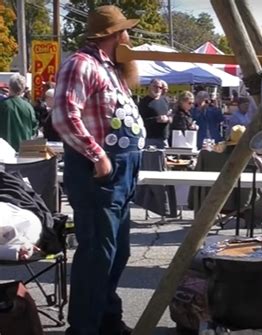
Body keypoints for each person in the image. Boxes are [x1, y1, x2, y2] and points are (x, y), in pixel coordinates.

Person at [52, 5, 145, 335]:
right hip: (100, 174)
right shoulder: (82, 63)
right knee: (97, 255)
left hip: (122, 173)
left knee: (117, 253)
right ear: (114, 35)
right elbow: (63, 115)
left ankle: (106, 319)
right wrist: (98, 156)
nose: (130, 38)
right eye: (126, 32)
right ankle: (84, 328)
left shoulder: (113, 70)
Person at [0, 73, 37, 151]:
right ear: (23, 89)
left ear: (9, 86)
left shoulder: (2, 105)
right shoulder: (28, 107)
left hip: (4, 150)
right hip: (24, 150)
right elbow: (34, 129)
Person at [138, 79, 171, 149]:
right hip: (149, 138)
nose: (158, 89)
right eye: (155, 86)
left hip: (163, 139)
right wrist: (156, 119)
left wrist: (168, 119)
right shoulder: (143, 103)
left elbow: (171, 115)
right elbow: (140, 122)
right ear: (149, 87)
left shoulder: (165, 100)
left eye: (160, 87)